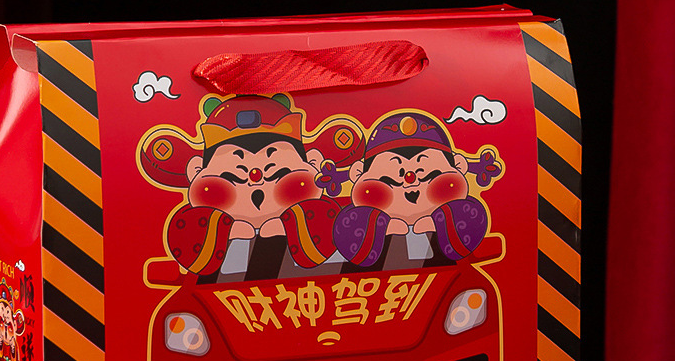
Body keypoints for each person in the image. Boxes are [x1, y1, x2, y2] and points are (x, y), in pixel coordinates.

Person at [140, 94, 364, 282]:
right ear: (197, 172)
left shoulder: (333, 219)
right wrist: (227, 231)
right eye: (231, 178)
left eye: (279, 175)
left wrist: (288, 225)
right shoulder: (195, 225)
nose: (257, 186)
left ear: (313, 164)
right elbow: (189, 248)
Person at [333, 111, 502, 270]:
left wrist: (437, 222)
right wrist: (383, 225)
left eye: (431, 177)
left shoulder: (466, 210)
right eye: (388, 181)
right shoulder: (354, 219)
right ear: (358, 174)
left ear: (458, 166)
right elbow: (348, 234)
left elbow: (471, 221)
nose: (409, 184)